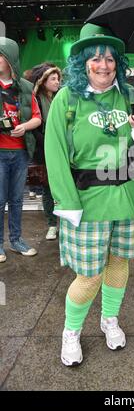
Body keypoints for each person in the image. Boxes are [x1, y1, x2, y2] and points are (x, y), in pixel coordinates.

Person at [44, 24, 134, 366]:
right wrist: (66, 202)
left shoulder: (129, 94)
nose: (103, 64)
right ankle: (71, 332)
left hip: (129, 197)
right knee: (89, 274)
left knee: (119, 262)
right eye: (95, 58)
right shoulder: (68, 98)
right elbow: (55, 152)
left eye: (109, 58)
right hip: (88, 203)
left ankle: (110, 320)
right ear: (82, 63)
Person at [0, 37, 41, 263]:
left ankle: (16, 240)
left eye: (1, 55)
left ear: (10, 59)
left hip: (20, 152)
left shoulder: (25, 88)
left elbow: (37, 117)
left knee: (16, 200)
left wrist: (23, 127)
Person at [29, 62, 61, 240]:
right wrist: (49, 144)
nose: (57, 82)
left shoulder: (60, 98)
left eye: (58, 78)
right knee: (48, 189)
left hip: (62, 149)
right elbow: (35, 129)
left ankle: (65, 221)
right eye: (53, 79)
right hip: (44, 151)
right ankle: (51, 224)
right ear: (43, 81)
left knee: (64, 186)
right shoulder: (37, 99)